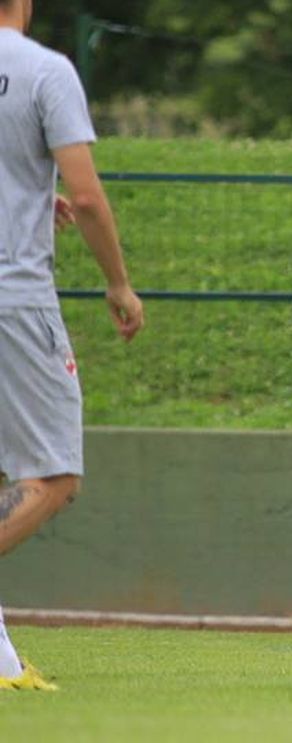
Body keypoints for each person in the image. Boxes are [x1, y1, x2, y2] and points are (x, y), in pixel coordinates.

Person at [1, 0, 144, 690]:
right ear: (22, 4)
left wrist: (32, 195)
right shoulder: (42, 69)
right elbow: (86, 196)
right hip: (12, 298)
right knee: (52, 477)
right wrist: (117, 283)